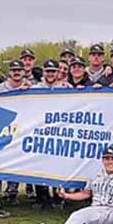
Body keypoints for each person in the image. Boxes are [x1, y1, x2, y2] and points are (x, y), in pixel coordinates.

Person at [32, 59, 70, 210]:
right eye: (47, 71)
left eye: (53, 71)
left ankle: (58, 197)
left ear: (57, 72)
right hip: (40, 131)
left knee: (58, 166)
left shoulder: (65, 87)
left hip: (59, 131)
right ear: (43, 72)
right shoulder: (36, 88)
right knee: (38, 165)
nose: (50, 74)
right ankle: (41, 197)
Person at [0, 59, 31, 206]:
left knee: (15, 160)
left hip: (20, 129)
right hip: (1, 128)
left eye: (19, 70)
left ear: (23, 72)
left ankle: (12, 192)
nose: (16, 72)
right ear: (9, 72)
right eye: (13, 70)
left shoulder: (30, 88)